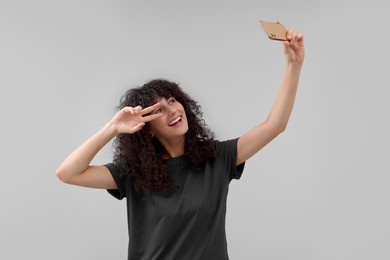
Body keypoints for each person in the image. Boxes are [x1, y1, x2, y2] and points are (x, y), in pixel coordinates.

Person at [56, 26, 305, 259]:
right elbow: (67, 173)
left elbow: (275, 125)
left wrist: (293, 65)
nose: (173, 111)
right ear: (147, 128)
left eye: (173, 101)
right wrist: (113, 128)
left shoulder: (218, 158)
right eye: (160, 110)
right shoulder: (132, 173)